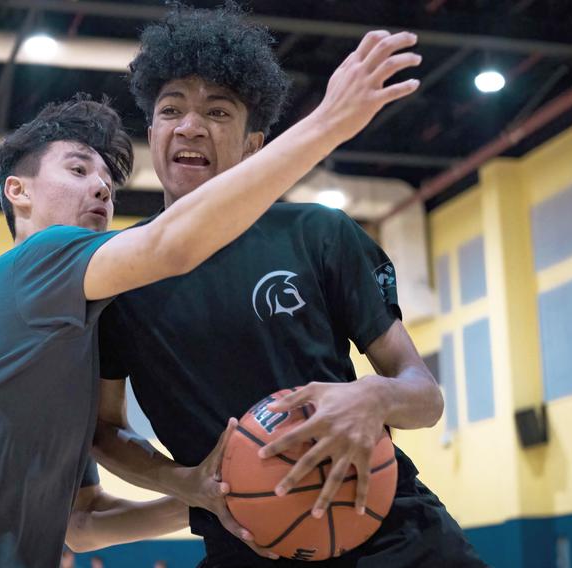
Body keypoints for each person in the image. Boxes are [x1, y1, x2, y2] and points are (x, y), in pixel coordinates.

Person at [0, 59, 386, 567]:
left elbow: (84, 525)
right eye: (77, 168)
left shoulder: (67, 341)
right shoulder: (33, 263)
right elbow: (172, 244)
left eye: (109, 181)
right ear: (17, 192)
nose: (101, 187)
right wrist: (325, 125)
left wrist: (221, 491)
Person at [93, 5, 485, 567]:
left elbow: (424, 396)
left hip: (393, 534)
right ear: (152, 132)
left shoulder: (318, 234)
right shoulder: (116, 273)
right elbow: (104, 432)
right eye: (171, 109)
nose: (190, 125)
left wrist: (372, 396)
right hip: (242, 542)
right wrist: (186, 483)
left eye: (218, 111)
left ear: (255, 145)